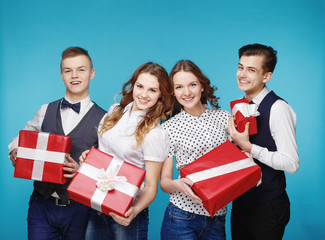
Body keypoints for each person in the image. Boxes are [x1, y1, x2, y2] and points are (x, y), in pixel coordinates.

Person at [8, 47, 106, 240]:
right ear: (61, 75)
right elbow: (23, 136)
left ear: (92, 73)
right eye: (68, 70)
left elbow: (108, 170)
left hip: (81, 209)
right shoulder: (46, 109)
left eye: (81, 69)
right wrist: (15, 150)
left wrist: (82, 170)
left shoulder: (105, 119)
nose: (74, 75)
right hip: (41, 205)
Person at [79, 62, 172, 240]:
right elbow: (104, 150)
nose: (144, 95)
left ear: (161, 94)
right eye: (140, 86)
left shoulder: (155, 133)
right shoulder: (116, 111)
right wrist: (89, 157)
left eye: (152, 90)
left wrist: (134, 210)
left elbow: (151, 186)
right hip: (96, 203)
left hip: (126, 211)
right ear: (133, 85)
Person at [228, 43, 299, 240]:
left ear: (266, 76)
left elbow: (291, 164)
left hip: (268, 205)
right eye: (240, 67)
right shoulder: (239, 106)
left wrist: (249, 147)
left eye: (251, 70)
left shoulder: (278, 108)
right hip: (241, 202)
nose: (242, 74)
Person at [160, 60, 230, 240]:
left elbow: (239, 159)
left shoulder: (224, 118)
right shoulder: (168, 128)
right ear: (173, 93)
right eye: (179, 87)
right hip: (182, 216)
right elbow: (165, 182)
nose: (187, 92)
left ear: (202, 86)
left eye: (192, 84)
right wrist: (178, 184)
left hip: (217, 216)